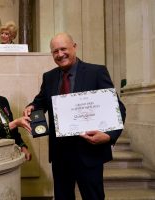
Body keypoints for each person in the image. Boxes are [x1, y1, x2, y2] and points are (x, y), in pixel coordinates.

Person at [23, 33, 126, 199]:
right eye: (55, 51)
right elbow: (41, 100)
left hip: (89, 151)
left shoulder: (96, 72)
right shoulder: (49, 77)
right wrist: (32, 106)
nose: (60, 54)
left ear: (74, 47)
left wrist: (108, 136)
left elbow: (117, 108)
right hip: (60, 153)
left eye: (63, 49)